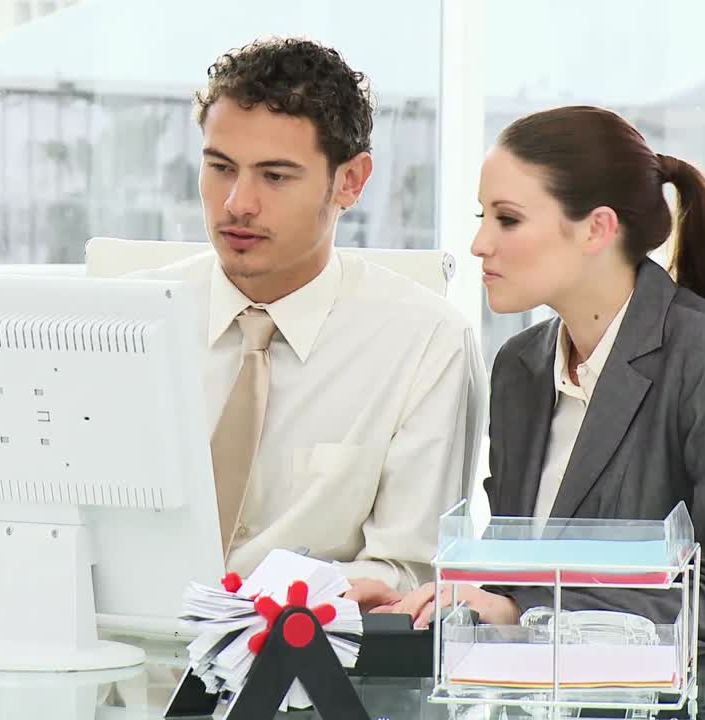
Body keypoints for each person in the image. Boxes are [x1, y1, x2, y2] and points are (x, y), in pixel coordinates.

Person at [379, 106, 705, 719]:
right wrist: (446, 598)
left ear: (596, 228)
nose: (479, 244)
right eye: (484, 218)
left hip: (696, 703)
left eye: (508, 219)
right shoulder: (521, 368)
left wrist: (531, 619)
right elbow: (520, 573)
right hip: (553, 700)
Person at [125, 38, 486, 603]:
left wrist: (272, 602)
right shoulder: (127, 325)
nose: (237, 204)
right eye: (220, 167)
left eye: (275, 176)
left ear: (351, 181)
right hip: (122, 665)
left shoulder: (426, 342)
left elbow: (413, 571)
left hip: (310, 673)